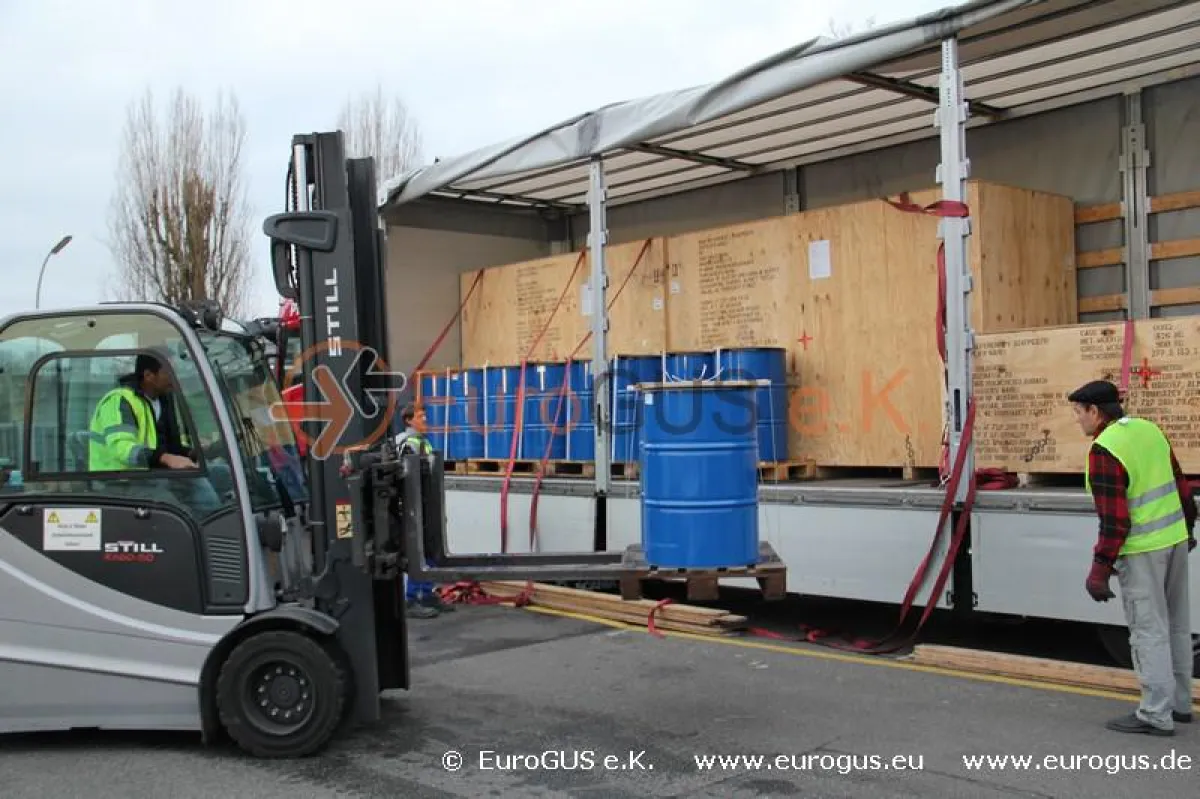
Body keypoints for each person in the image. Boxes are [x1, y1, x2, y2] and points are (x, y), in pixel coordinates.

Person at [1069, 379, 1195, 736]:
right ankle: (1180, 704)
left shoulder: (1105, 449)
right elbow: (1181, 485)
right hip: (1174, 541)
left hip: (1142, 552)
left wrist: (1100, 568)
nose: (1078, 421)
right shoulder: (1149, 429)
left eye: (1079, 413)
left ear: (1095, 411)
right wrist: (1188, 530)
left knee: (1147, 630)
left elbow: (1115, 519)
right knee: (1176, 624)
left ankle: (1156, 713)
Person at [89, 352, 231, 512]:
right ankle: (211, 529)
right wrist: (166, 458)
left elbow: (167, 445)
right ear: (149, 375)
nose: (175, 377)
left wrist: (193, 453)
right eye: (169, 372)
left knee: (222, 474)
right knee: (179, 511)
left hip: (153, 474)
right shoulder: (120, 401)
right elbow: (123, 449)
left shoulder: (162, 399)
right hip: (122, 481)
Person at [394, 402, 454, 618]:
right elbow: (410, 478)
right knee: (418, 551)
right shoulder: (408, 443)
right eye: (421, 417)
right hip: (416, 505)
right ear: (409, 420)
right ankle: (411, 599)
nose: (425, 421)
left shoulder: (421, 442)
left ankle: (427, 593)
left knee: (430, 548)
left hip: (427, 503)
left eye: (425, 417)